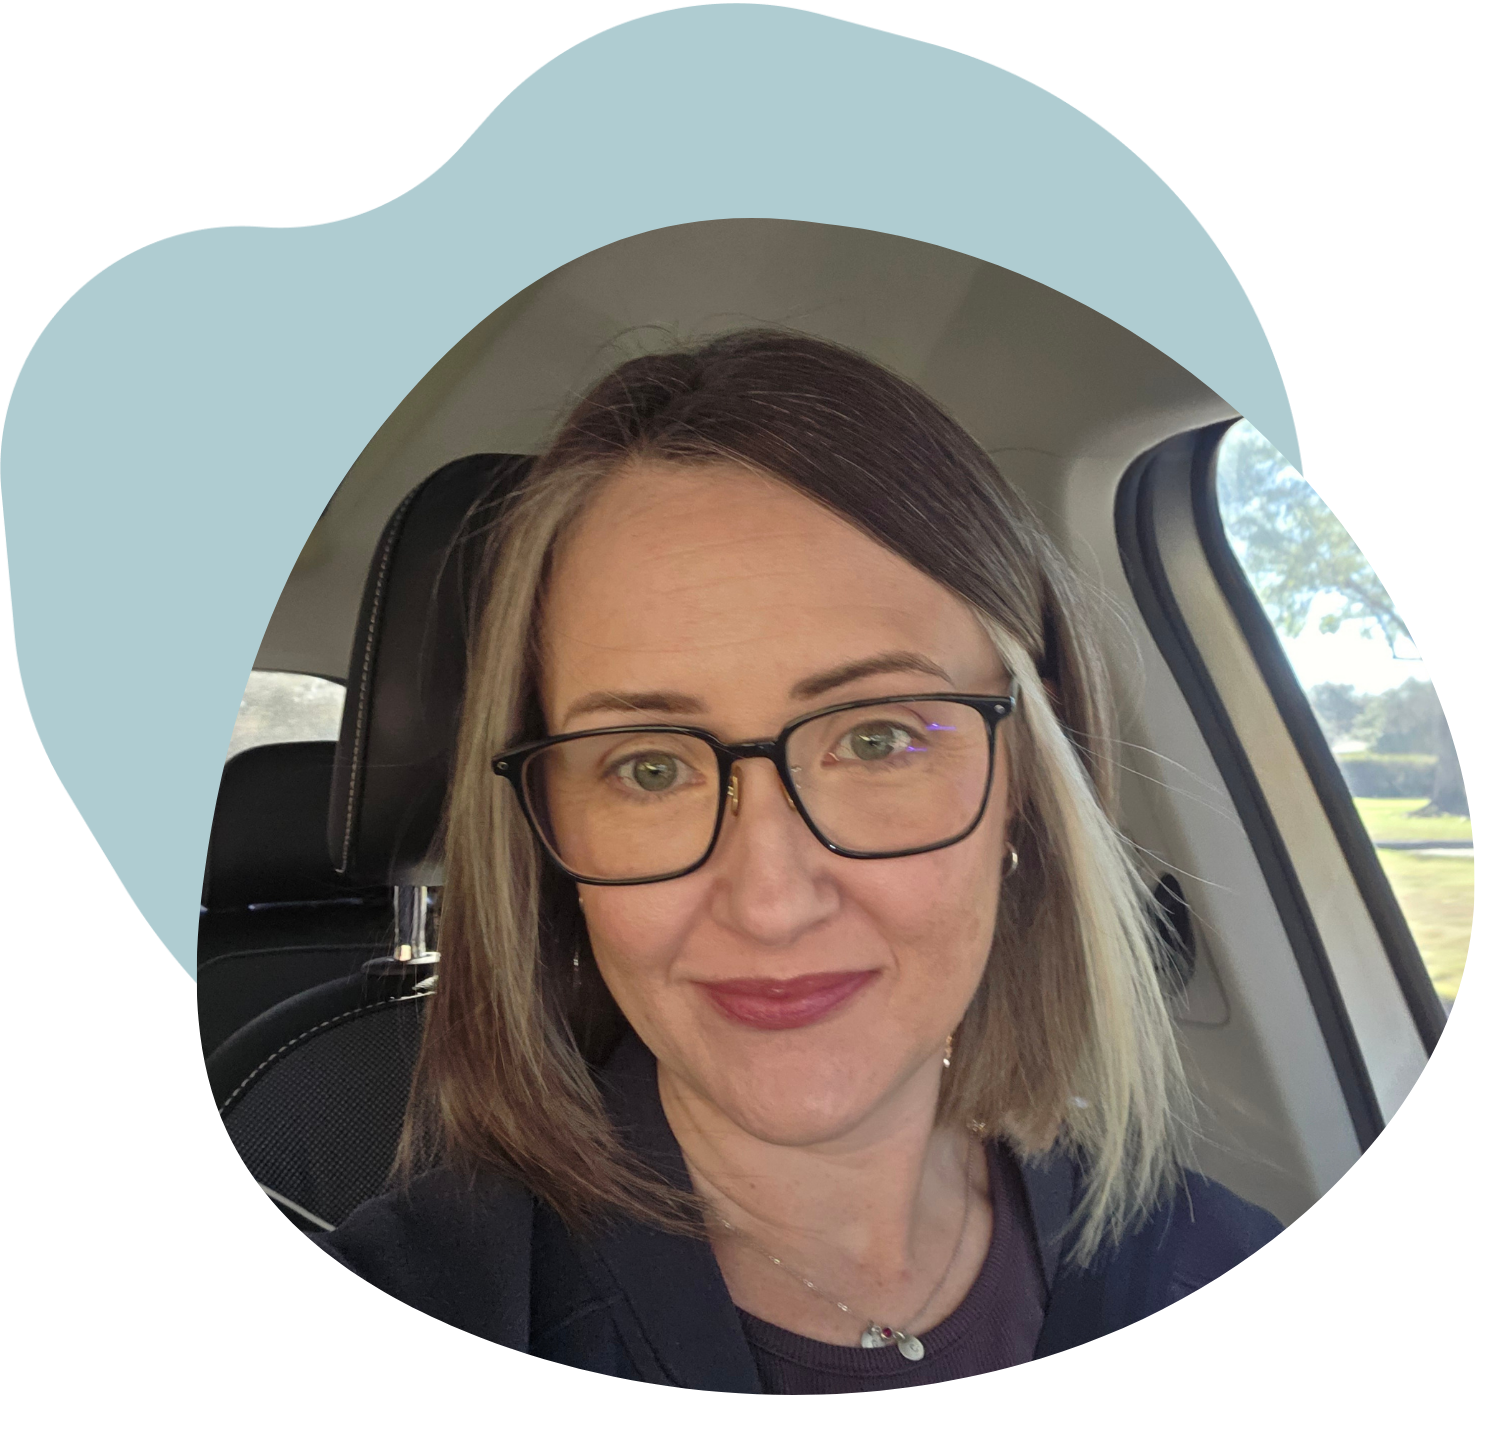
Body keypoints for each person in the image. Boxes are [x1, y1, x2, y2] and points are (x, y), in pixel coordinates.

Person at [310, 328, 1282, 1390]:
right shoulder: (443, 1289)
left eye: (877, 739)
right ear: (549, 842)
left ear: (1025, 778)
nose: (771, 901)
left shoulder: (1203, 1254)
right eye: (648, 767)